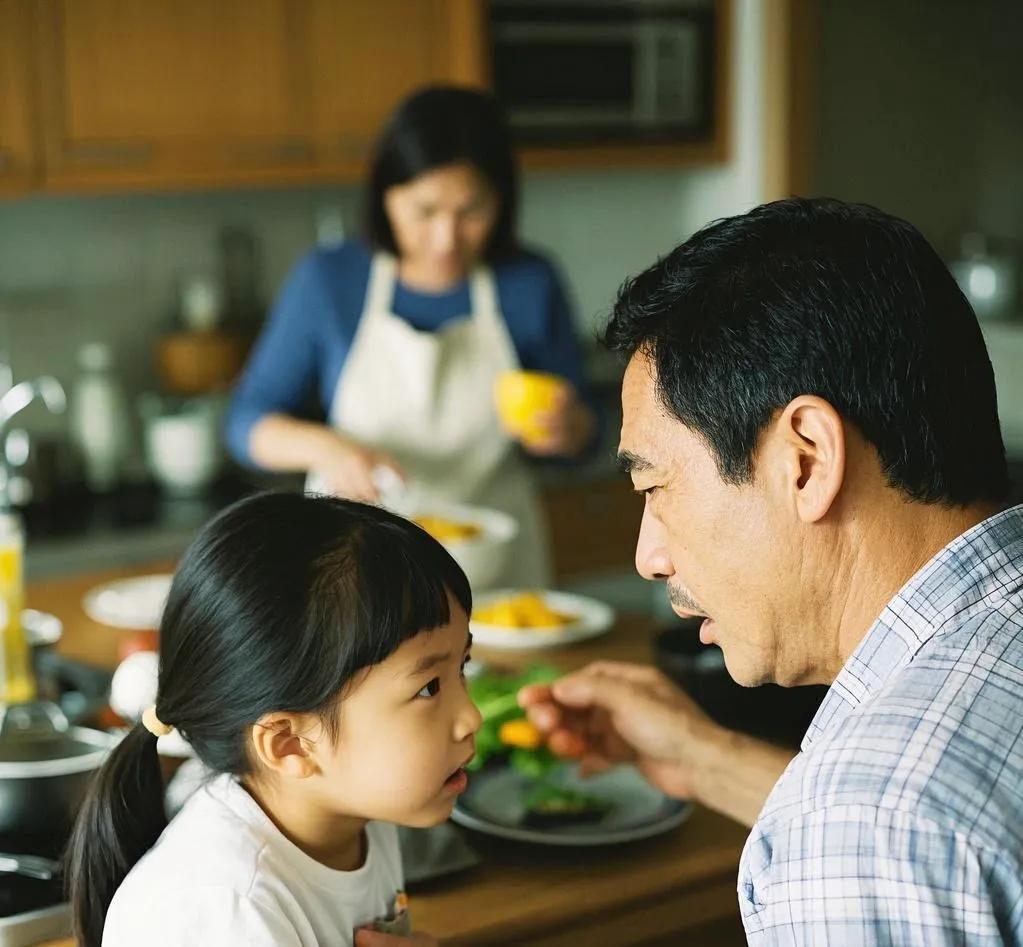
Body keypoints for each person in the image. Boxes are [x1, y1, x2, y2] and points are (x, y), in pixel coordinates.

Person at [521, 198, 1023, 944]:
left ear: (807, 460)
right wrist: (703, 756)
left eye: (654, 488)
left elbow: (875, 828)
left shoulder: (863, 829)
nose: (647, 555)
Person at [67, 492, 480, 947]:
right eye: (428, 688)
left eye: (461, 666)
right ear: (290, 744)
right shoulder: (226, 912)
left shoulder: (356, 817)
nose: (471, 717)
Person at [225, 86, 595, 587]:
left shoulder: (529, 282)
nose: (447, 238)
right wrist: (328, 449)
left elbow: (583, 433)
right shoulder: (330, 280)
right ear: (385, 194)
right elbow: (246, 421)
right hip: (360, 565)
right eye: (425, 211)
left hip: (496, 571)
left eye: (471, 211)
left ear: (503, 200)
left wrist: (570, 430)